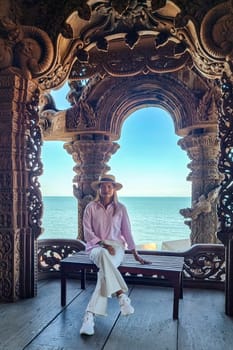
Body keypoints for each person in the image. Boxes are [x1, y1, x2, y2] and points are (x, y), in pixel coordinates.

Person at [80, 174, 150, 336]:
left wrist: (135, 253)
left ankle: (89, 317)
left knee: (103, 272)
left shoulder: (121, 208)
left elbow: (127, 232)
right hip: (96, 247)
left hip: (117, 248)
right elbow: (87, 233)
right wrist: (103, 244)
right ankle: (121, 295)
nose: (106, 189)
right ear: (99, 188)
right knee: (104, 255)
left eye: (109, 186)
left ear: (114, 189)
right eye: (103, 186)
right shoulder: (90, 207)